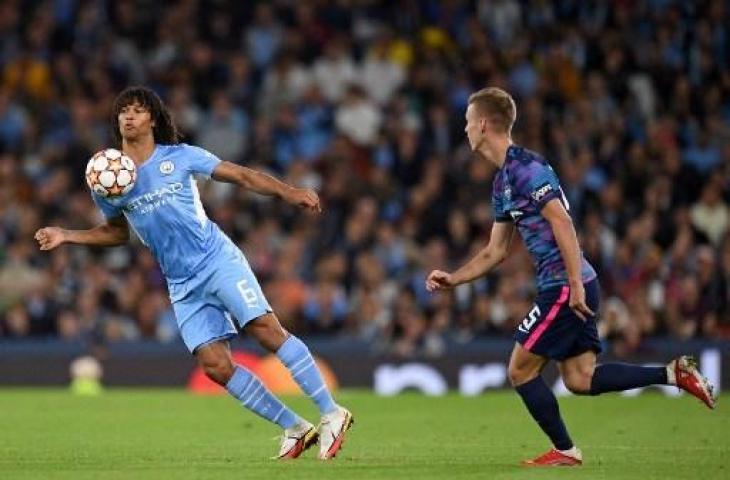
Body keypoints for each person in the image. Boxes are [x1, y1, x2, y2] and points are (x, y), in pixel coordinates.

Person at [35, 86, 353, 460]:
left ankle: (332, 412)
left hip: (216, 260)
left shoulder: (180, 157)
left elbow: (241, 176)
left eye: (137, 111)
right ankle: (295, 427)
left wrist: (288, 191)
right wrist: (66, 235)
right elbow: (117, 234)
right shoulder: (108, 177)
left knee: (265, 329)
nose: (128, 116)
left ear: (152, 118)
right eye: (123, 111)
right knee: (216, 366)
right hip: (181, 282)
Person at [425, 87, 715, 467]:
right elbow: (495, 251)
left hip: (565, 285)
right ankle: (673, 373)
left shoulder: (527, 168)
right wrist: (455, 278)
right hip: (570, 284)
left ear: (482, 124)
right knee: (579, 379)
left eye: (466, 122)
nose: (464, 130)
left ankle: (565, 450)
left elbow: (561, 220)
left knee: (519, 370)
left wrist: (575, 283)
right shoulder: (502, 183)